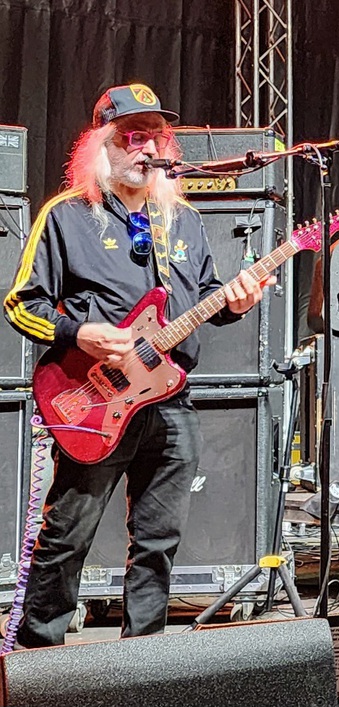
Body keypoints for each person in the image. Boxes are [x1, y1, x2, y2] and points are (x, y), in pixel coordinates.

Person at [2, 84, 273, 646]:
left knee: (159, 543)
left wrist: (237, 301)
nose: (147, 147)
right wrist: (82, 333)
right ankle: (35, 661)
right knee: (67, 537)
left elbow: (206, 298)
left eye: (156, 135)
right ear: (103, 144)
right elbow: (20, 304)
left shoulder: (184, 221)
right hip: (93, 400)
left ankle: (144, 663)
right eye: (133, 135)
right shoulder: (67, 217)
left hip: (170, 403)